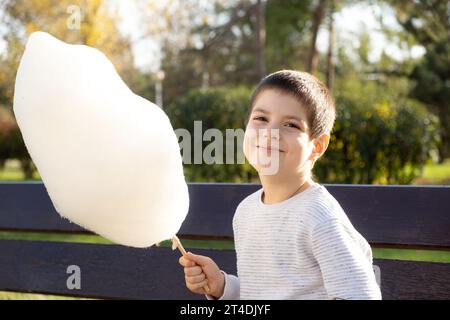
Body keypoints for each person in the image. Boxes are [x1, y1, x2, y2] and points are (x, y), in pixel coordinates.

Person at [179, 70, 382, 300]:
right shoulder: (246, 212)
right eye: (261, 119)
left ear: (317, 146)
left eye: (291, 125)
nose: (270, 133)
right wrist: (222, 286)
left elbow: (361, 295)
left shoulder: (319, 215)